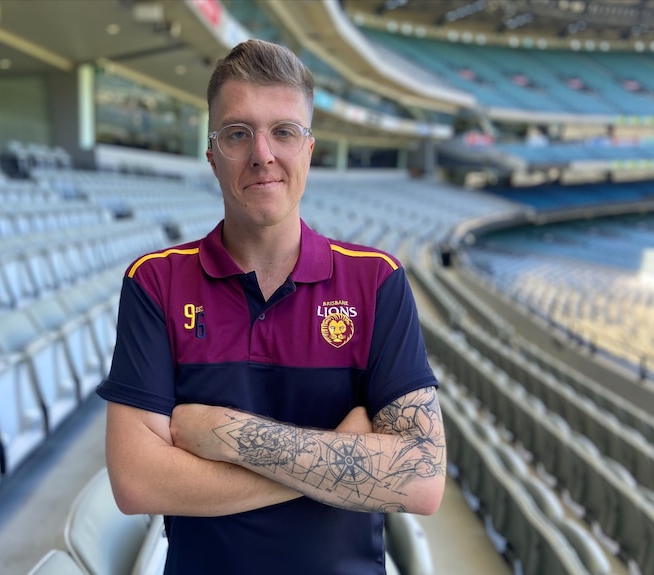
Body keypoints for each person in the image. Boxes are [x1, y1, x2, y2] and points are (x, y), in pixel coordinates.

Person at [98, 38, 446, 575]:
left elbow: (422, 479)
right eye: (239, 133)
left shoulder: (376, 280)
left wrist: (227, 437)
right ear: (212, 155)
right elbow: (136, 481)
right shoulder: (155, 283)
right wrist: (340, 457)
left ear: (309, 149)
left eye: (284, 131)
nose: (263, 153)